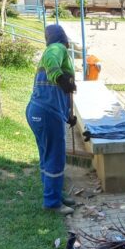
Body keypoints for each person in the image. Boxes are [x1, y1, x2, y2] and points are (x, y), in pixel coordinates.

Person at [25, 25, 78, 215]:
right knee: (55, 158)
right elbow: (51, 59)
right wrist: (62, 78)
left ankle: (54, 194)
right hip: (47, 113)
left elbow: (64, 93)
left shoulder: (61, 56)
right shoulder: (57, 49)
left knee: (47, 156)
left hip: (38, 111)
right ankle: (52, 203)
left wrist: (69, 114)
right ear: (63, 39)